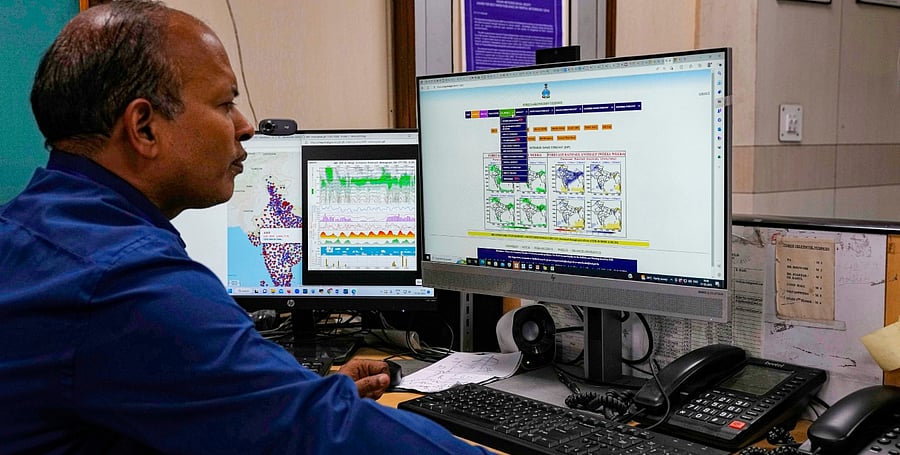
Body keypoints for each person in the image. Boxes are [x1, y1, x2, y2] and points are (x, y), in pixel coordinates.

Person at [0, 1, 491, 454]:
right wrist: (303, 405)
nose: (246, 125)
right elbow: (320, 430)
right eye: (224, 104)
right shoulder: (126, 281)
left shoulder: (29, 229)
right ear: (144, 127)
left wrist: (290, 394)